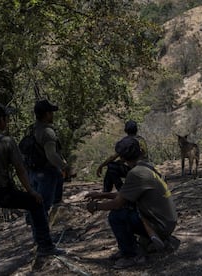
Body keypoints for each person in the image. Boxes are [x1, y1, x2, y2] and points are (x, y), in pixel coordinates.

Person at [0, 102, 63, 276]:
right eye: (6, 118)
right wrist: (32, 192)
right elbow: (20, 170)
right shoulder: (6, 141)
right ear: (1, 120)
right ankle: (45, 246)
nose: (7, 121)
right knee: (35, 203)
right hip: (2, 192)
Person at [86, 136, 178, 269]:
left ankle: (132, 255)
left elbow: (118, 203)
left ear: (122, 158)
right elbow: (125, 194)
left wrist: (96, 206)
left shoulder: (135, 173)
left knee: (116, 216)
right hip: (168, 221)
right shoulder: (146, 167)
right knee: (125, 210)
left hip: (161, 226)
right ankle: (133, 247)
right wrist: (102, 195)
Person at [28, 99, 70, 217]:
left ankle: (36, 224)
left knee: (37, 203)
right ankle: (41, 231)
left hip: (32, 172)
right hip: (46, 173)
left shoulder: (33, 129)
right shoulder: (47, 132)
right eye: (51, 112)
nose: (53, 115)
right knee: (43, 206)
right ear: (47, 114)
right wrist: (65, 166)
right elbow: (51, 155)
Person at [96, 120, 148, 192]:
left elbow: (112, 157)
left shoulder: (127, 141)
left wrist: (101, 166)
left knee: (111, 167)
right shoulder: (141, 139)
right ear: (136, 129)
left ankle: (120, 191)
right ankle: (106, 191)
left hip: (135, 170)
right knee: (114, 166)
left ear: (125, 130)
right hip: (146, 168)